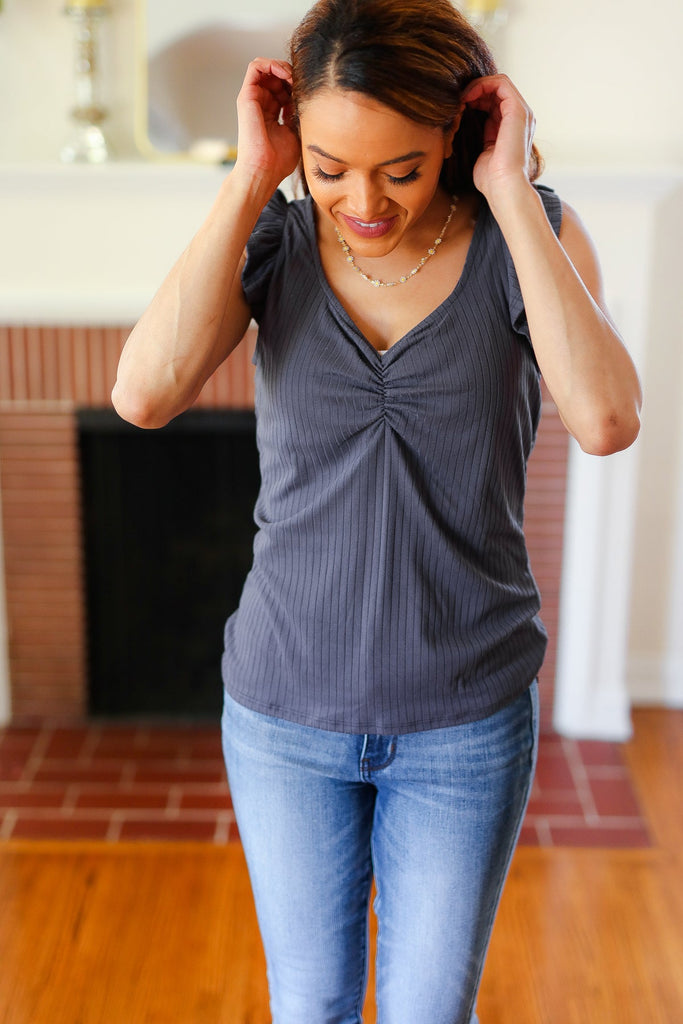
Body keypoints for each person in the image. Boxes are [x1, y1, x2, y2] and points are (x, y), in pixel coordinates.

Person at [112, 1, 642, 1020]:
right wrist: (247, 178)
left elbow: (607, 417)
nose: (362, 201)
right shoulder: (274, 238)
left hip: (463, 719)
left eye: (399, 169)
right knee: (310, 1007)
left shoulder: (526, 237)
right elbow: (142, 393)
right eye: (329, 168)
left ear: (456, 131)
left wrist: (511, 191)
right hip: (282, 716)